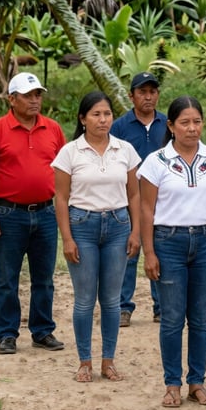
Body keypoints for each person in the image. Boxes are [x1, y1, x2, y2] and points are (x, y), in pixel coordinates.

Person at [139, 95, 206, 408]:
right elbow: (147, 209)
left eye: (197, 122)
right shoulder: (155, 162)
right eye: (184, 123)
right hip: (169, 243)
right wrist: (149, 252)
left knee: (201, 319)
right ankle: (172, 384)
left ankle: (197, 381)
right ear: (171, 125)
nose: (192, 128)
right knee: (171, 319)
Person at [0, 72, 66, 355]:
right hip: (8, 214)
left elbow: (64, 172)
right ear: (11, 99)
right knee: (7, 278)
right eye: (28, 95)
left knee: (44, 278)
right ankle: (6, 334)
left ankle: (42, 331)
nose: (35, 100)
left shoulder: (52, 129)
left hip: (46, 213)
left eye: (38, 94)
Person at [53, 91, 141, 383]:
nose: (103, 120)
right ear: (82, 119)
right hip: (82, 225)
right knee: (85, 299)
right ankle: (84, 361)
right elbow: (61, 198)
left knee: (112, 300)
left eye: (107, 114)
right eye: (96, 114)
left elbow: (134, 193)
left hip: (118, 225)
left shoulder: (124, 149)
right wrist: (67, 238)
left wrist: (135, 231)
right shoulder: (70, 152)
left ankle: (108, 361)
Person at [110, 71, 168, 327]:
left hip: (163, 200)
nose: (148, 97)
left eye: (152, 91)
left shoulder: (168, 124)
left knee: (161, 252)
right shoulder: (119, 127)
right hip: (128, 199)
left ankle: (161, 306)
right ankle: (124, 307)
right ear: (131, 95)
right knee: (129, 252)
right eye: (142, 92)